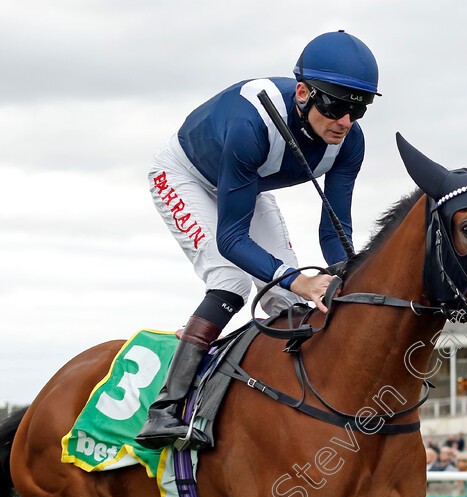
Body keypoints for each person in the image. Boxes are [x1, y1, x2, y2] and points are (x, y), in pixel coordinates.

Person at [135, 30, 381, 450]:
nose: (346, 122)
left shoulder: (350, 142)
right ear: (302, 92)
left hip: (244, 184)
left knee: (286, 302)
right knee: (231, 279)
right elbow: (230, 238)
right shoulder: (252, 123)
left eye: (359, 109)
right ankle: (165, 409)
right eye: (337, 105)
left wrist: (353, 281)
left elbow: (334, 232)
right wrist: (295, 278)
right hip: (184, 175)